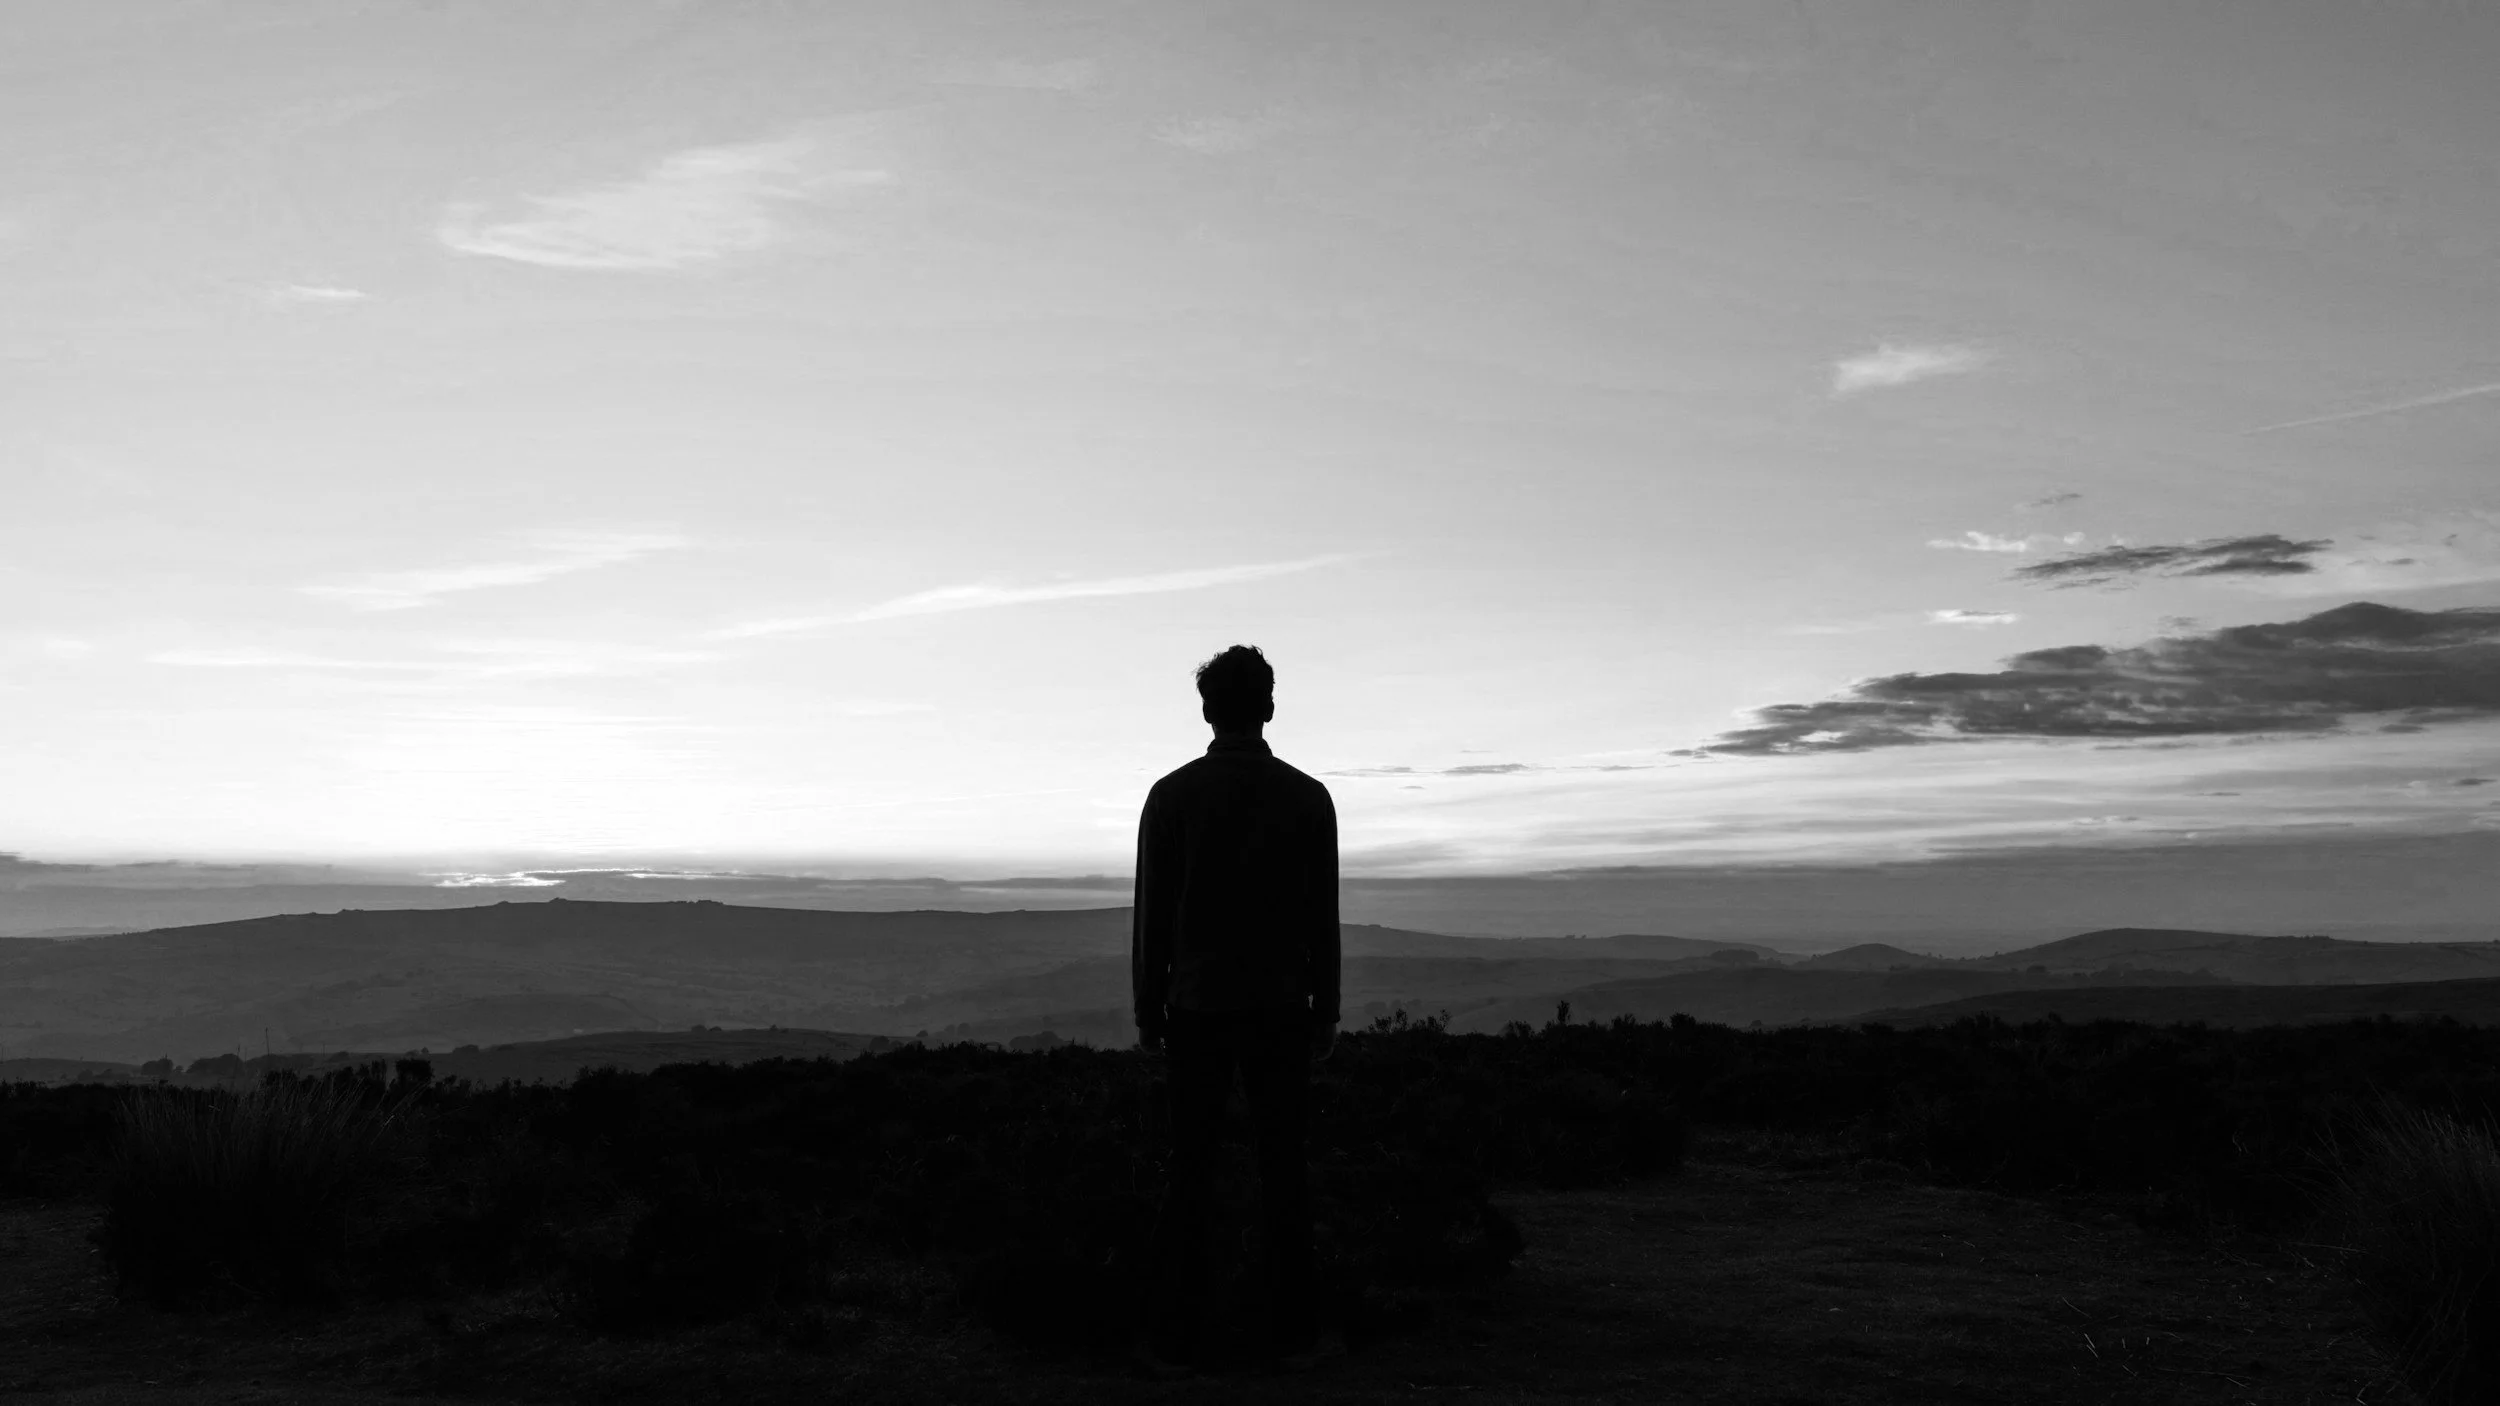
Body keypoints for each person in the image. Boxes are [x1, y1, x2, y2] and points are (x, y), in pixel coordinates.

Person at [1132, 643, 1341, 1370]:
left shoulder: (1172, 794)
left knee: (1190, 1168)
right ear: (1270, 707)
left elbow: (1152, 914)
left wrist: (1145, 1011)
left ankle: (1176, 1332)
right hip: (1283, 1004)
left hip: (1195, 1008)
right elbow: (1324, 915)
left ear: (1206, 710)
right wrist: (1328, 1007)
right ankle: (1293, 1330)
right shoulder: (1308, 796)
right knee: (1284, 1167)